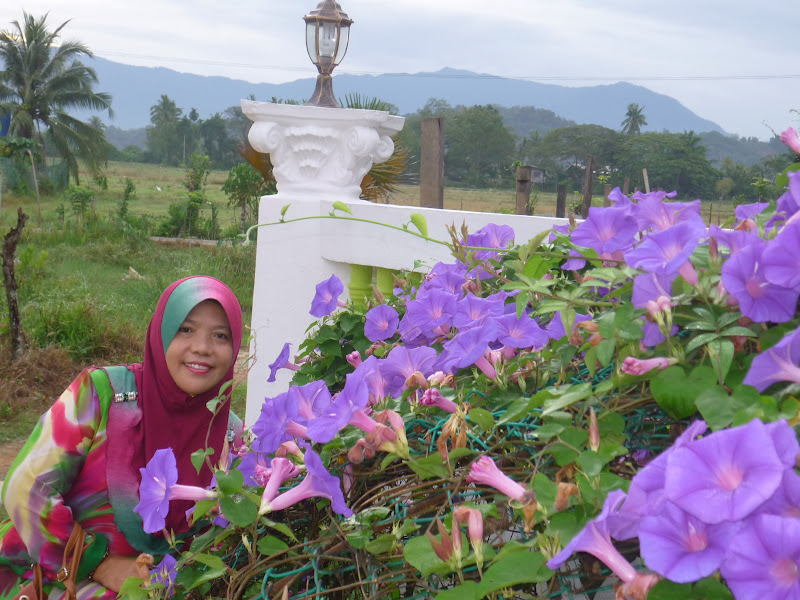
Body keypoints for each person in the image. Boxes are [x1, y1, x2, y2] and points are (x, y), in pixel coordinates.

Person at [0, 276, 244, 600]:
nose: (202, 347)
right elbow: (25, 486)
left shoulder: (230, 434)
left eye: (220, 335)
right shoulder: (102, 394)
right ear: (162, 332)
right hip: (53, 580)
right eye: (185, 329)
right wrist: (98, 563)